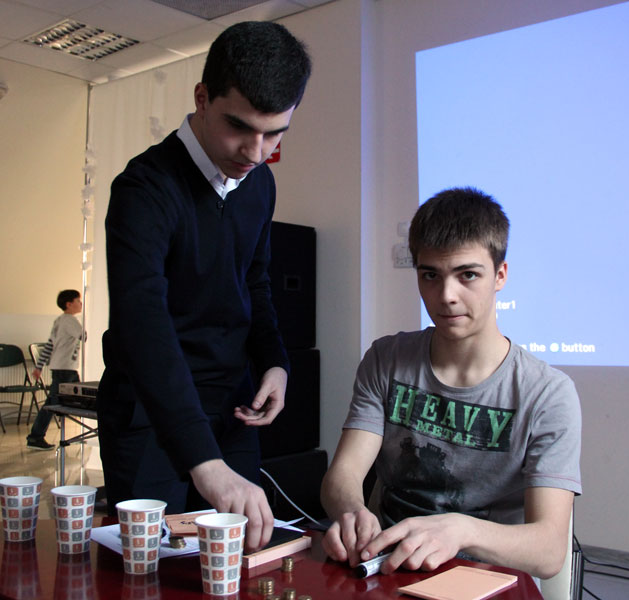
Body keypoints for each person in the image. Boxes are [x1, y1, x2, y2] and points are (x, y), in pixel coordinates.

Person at [96, 21, 311, 553]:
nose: (256, 152)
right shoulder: (144, 188)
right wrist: (204, 463)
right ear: (202, 97)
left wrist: (275, 363)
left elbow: (254, 282)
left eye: (275, 133)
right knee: (149, 573)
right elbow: (142, 326)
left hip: (231, 413)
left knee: (234, 566)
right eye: (240, 127)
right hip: (149, 414)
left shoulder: (260, 184)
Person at [320, 187, 582, 583]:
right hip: (386, 569)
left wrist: (461, 530)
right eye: (430, 275)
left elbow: (548, 552)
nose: (446, 296)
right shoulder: (386, 359)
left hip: (485, 581)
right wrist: (352, 511)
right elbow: (343, 475)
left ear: (500, 276)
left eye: (468, 275)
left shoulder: (547, 394)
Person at [27, 289, 84, 450]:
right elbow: (85, 336)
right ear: (69, 304)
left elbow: (49, 346)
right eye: (78, 301)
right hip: (65, 369)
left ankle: (36, 436)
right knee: (56, 402)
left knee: (58, 401)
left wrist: (39, 366)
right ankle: (35, 437)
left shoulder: (59, 320)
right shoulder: (70, 321)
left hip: (61, 368)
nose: (81, 304)